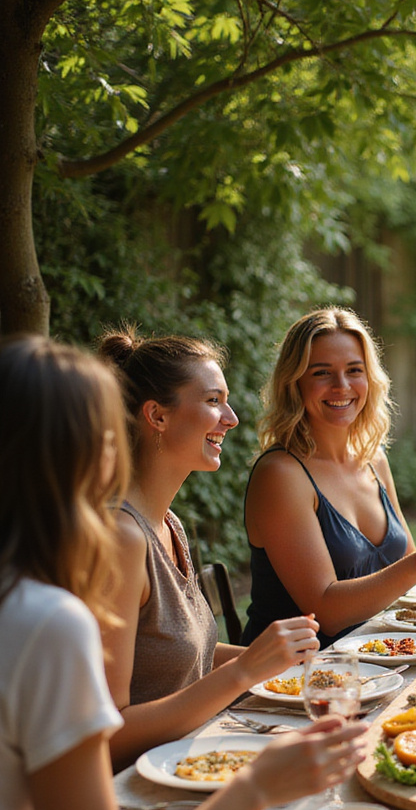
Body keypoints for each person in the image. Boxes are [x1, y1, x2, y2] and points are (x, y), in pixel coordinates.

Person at [0, 336, 364, 810]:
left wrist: (272, 661)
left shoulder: (159, 527)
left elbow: (177, 653)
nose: (230, 419)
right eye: (101, 429)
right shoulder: (48, 612)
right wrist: (255, 784)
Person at [98, 328, 321, 770]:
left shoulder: (169, 524)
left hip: (192, 761)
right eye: (213, 400)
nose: (232, 418)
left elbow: (180, 655)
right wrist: (245, 671)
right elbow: (108, 735)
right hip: (138, 800)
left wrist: (294, 665)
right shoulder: (121, 539)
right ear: (157, 416)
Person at [242, 307, 416, 648]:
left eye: (354, 370)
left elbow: (405, 566)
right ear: (294, 383)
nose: (342, 386)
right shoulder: (281, 474)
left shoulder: (373, 459)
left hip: (376, 659)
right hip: (295, 679)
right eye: (322, 373)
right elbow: (326, 613)